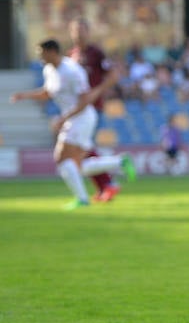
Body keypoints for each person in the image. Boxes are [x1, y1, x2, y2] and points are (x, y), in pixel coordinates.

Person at [11, 39, 136, 209]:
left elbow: (84, 101)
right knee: (78, 167)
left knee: (61, 158)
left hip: (82, 117)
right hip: (73, 118)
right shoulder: (49, 69)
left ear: (53, 52)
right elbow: (48, 92)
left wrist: (63, 118)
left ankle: (82, 199)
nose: (40, 57)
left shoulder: (72, 71)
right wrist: (24, 96)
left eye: (42, 53)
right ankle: (119, 162)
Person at [68, 17, 122, 202]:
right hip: (76, 110)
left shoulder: (96, 53)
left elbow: (114, 75)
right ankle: (105, 186)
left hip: (92, 108)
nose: (78, 33)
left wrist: (97, 91)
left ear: (88, 32)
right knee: (84, 149)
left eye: (82, 29)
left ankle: (108, 182)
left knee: (83, 148)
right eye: (75, 30)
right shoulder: (71, 56)